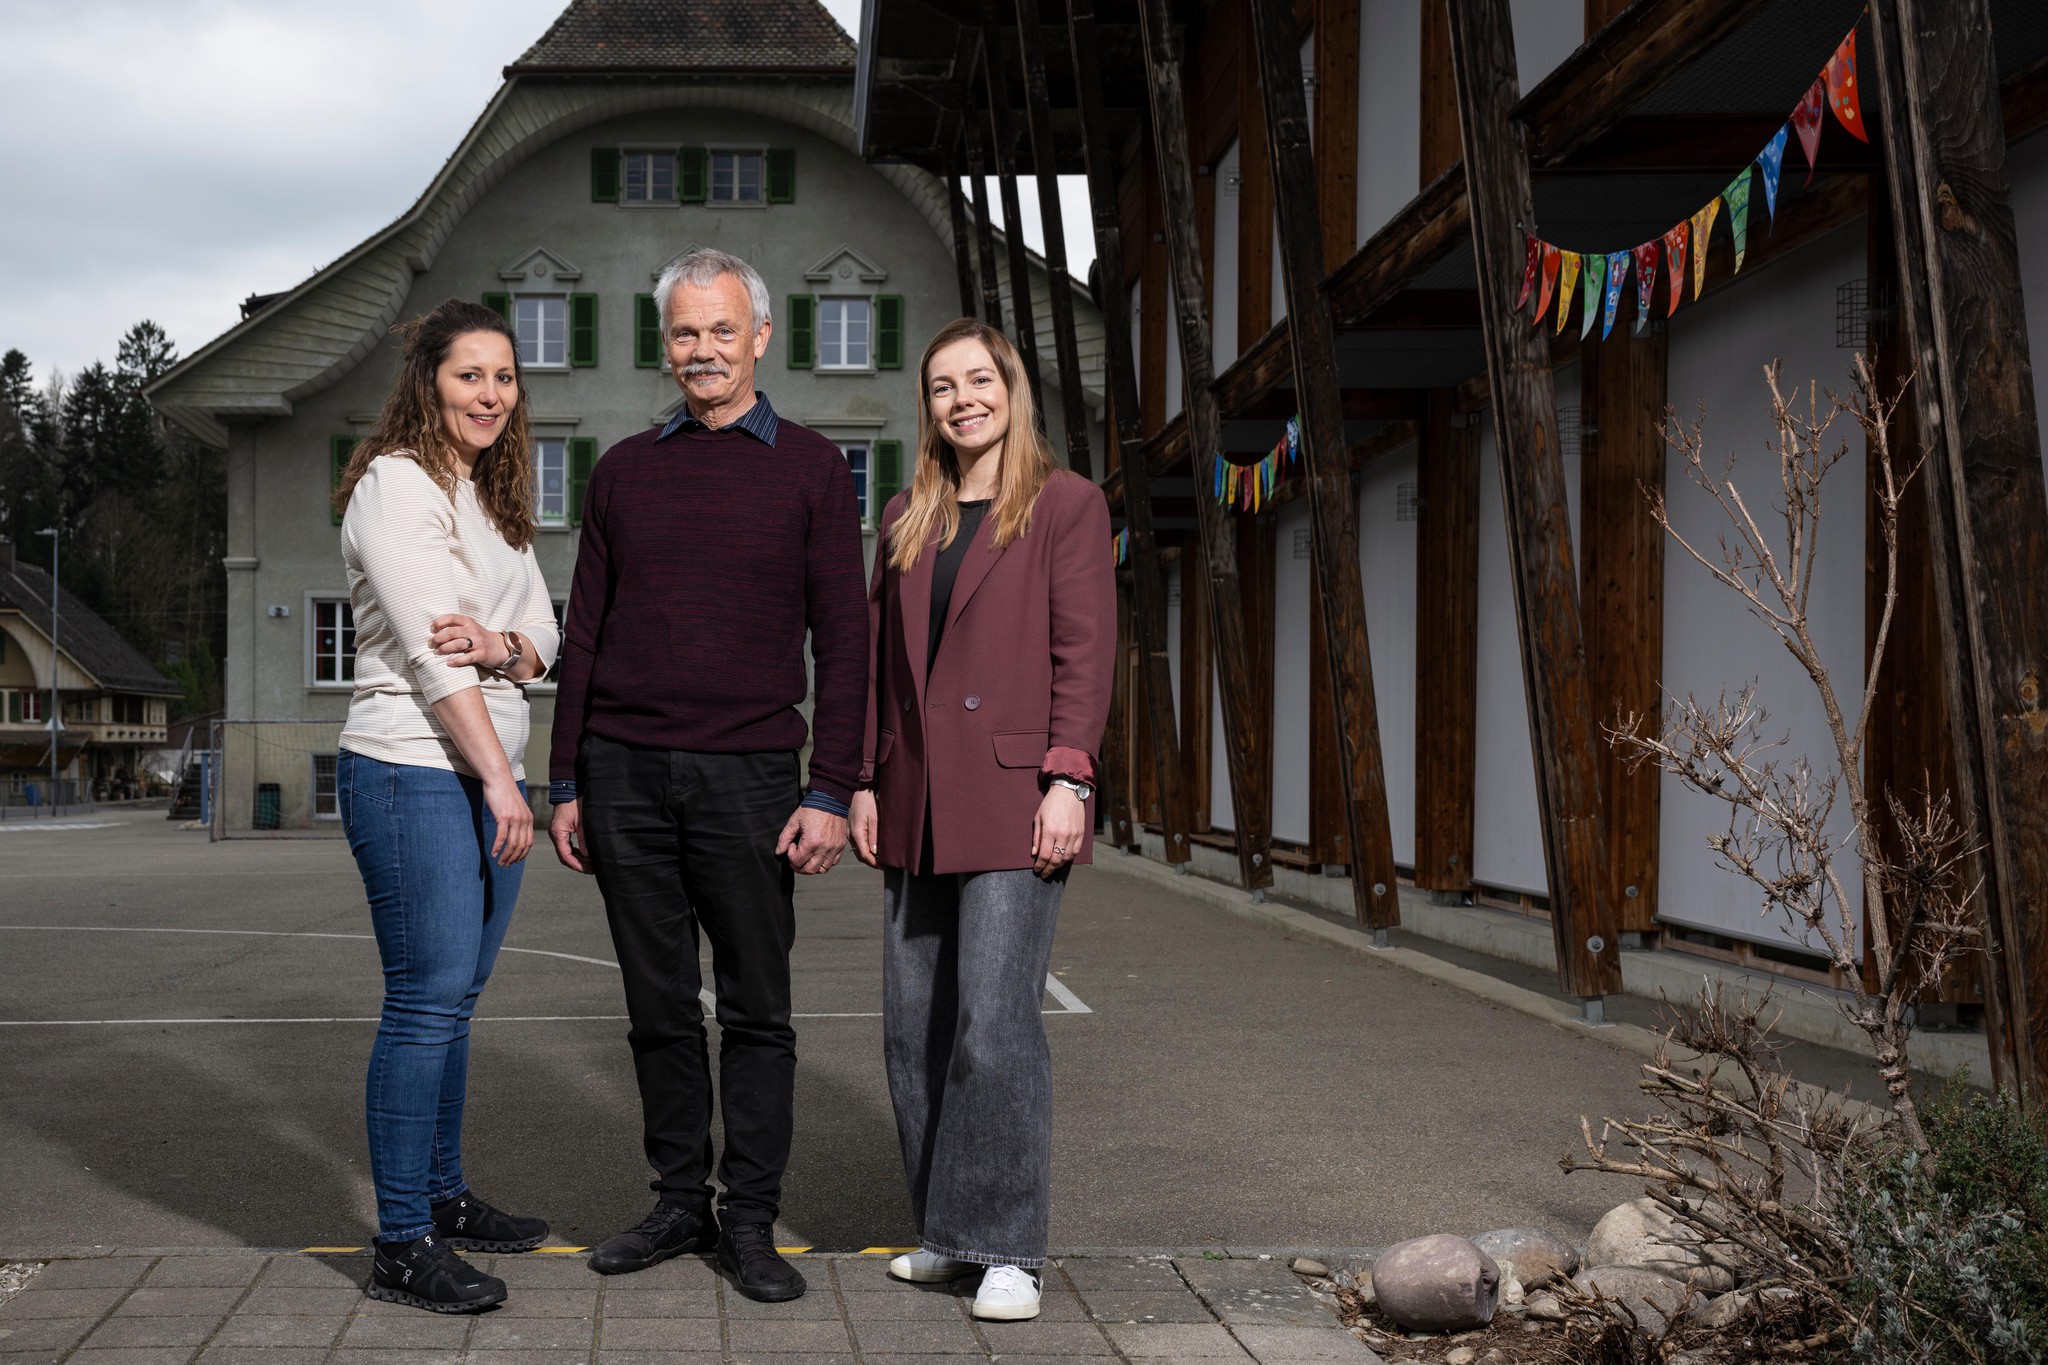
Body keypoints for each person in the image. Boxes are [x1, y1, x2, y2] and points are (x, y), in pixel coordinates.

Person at [548, 248, 867, 1303]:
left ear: (760, 338)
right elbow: (582, 635)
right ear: (665, 343)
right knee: (656, 1009)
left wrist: (829, 787)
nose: (702, 350)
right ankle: (677, 1202)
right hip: (624, 774)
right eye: (684, 333)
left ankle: (750, 1221)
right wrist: (566, 785)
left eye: (721, 330)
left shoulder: (815, 469)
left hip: (751, 778)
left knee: (758, 1011)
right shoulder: (623, 472)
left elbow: (847, 641)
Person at [847, 318, 1114, 1322]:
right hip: (912, 802)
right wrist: (866, 781)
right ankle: (949, 1236)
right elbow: (876, 667)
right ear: (928, 406)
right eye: (943, 387)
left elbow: (1083, 653)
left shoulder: (1064, 506)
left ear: (1009, 388)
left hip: (1014, 800)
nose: (962, 399)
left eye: (978, 380)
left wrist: (1070, 781)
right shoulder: (903, 516)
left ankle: (1010, 1247)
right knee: (911, 1031)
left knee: (994, 1029)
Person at [331, 299, 561, 1313]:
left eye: (504, 377)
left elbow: (545, 634)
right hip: (409, 766)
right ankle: (401, 1243)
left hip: (477, 768)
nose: (490, 395)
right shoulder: (395, 484)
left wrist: (506, 646)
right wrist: (506, 782)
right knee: (425, 999)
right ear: (428, 380)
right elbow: (432, 655)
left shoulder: (492, 500)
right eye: (470, 375)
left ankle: (442, 1193)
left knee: (456, 1000)